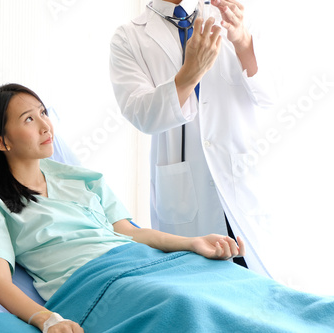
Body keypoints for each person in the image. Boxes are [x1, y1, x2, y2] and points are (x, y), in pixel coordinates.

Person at [0, 84, 334, 333]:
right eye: (28, 119)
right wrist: (48, 319)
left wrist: (192, 243)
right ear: (1, 142)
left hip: (145, 260)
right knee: (185, 306)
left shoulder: (83, 178)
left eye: (43, 112)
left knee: (250, 290)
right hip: (98, 283)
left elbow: (129, 232)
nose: (45, 125)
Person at [109, 0, 277, 272]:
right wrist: (189, 74)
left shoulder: (232, 15)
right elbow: (141, 115)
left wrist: (243, 42)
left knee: (260, 290)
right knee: (200, 295)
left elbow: (270, 95)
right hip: (185, 197)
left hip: (240, 180)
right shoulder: (129, 37)